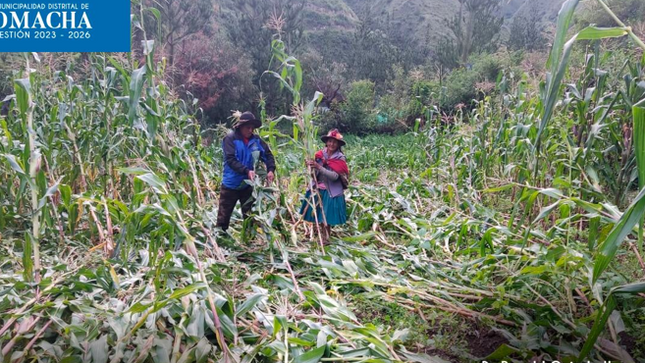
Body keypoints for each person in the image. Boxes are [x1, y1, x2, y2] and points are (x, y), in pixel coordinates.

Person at [216, 111, 275, 231]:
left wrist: (270, 170)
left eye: (252, 128)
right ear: (240, 127)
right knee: (223, 217)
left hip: (247, 185)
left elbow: (268, 155)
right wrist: (246, 171)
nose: (250, 130)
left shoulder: (257, 141)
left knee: (249, 216)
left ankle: (249, 239)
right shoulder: (230, 139)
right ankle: (219, 240)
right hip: (230, 185)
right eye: (248, 127)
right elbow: (231, 160)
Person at [299, 129, 349, 244]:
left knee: (326, 216)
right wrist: (311, 167)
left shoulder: (340, 158)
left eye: (335, 142)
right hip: (318, 187)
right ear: (326, 142)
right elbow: (314, 174)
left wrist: (319, 167)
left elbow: (335, 176)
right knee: (317, 213)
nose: (332, 144)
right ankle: (318, 235)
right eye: (330, 141)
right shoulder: (319, 155)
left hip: (331, 190)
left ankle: (326, 237)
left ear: (338, 145)